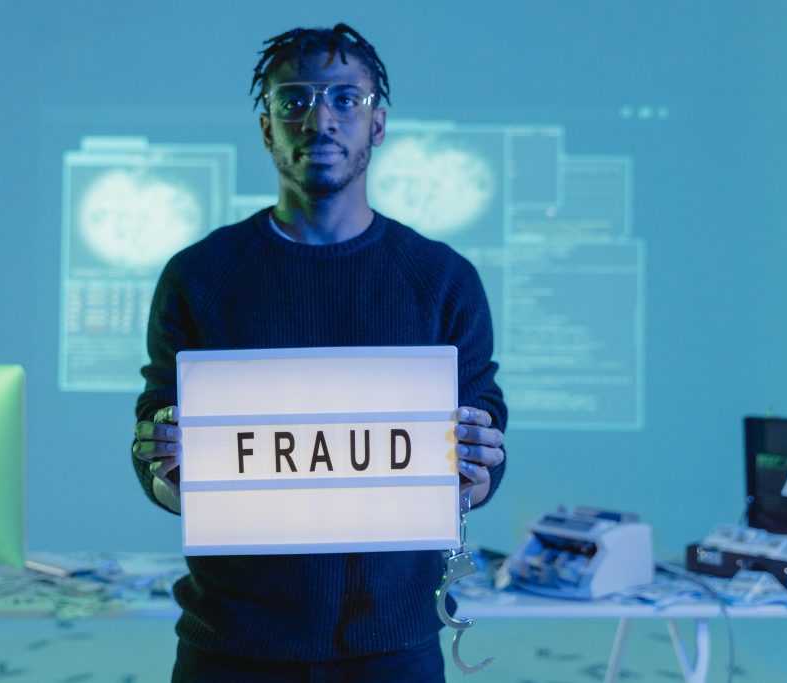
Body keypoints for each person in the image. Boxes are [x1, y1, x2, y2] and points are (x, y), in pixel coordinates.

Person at [132, 23, 507, 682]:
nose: (320, 119)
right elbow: (160, 461)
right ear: (266, 127)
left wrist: (477, 464)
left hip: (393, 646)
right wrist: (167, 466)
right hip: (231, 644)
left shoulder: (442, 279)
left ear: (379, 124)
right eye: (295, 101)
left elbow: (477, 457)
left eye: (344, 100)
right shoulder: (200, 275)